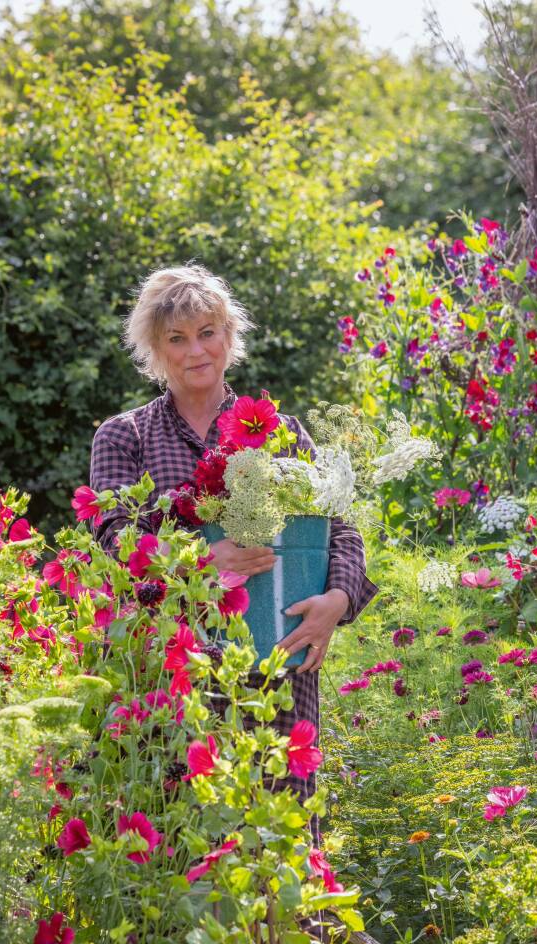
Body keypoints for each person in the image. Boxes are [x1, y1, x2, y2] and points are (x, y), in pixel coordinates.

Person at [89, 264, 378, 826]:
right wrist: (198, 561)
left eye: (207, 332)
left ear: (229, 336)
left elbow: (338, 529)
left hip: (276, 664)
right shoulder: (124, 437)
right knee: (179, 835)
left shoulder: (280, 431)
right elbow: (113, 539)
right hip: (170, 666)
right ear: (154, 348)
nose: (195, 350)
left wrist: (337, 602)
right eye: (176, 338)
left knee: (281, 839)